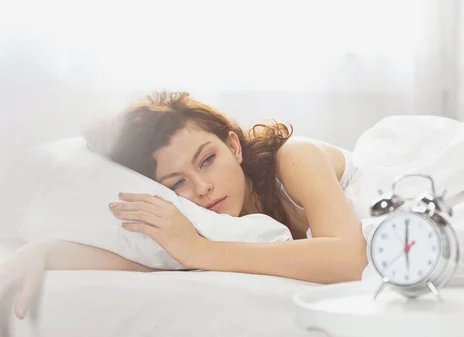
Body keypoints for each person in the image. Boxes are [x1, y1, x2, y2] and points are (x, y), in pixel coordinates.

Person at [0, 91, 368, 320]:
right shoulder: (208, 222)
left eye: (207, 160)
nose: (203, 188)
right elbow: (143, 260)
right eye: (177, 184)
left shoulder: (293, 158)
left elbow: (351, 262)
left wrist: (200, 251)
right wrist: (45, 251)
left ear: (234, 147)